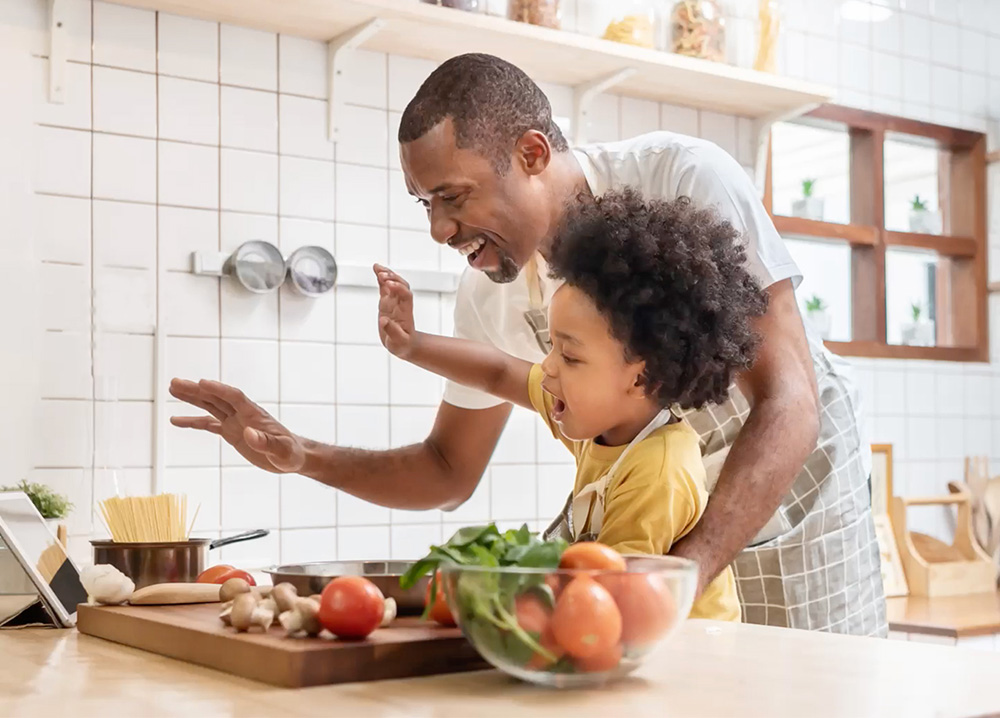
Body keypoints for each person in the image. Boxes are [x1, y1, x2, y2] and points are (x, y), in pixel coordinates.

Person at [170, 53, 885, 636]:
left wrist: (688, 572)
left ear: (532, 152)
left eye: (452, 196)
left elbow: (789, 399)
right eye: (425, 205)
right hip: (653, 541)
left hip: (793, 502)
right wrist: (300, 455)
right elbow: (449, 468)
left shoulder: (681, 178)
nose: (439, 231)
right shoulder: (490, 289)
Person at [377, 188, 766, 621]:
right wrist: (413, 345)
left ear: (641, 378)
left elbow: (611, 602)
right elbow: (498, 373)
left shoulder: (658, 471)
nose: (548, 366)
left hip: (690, 660)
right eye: (553, 347)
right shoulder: (605, 420)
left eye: (570, 355)